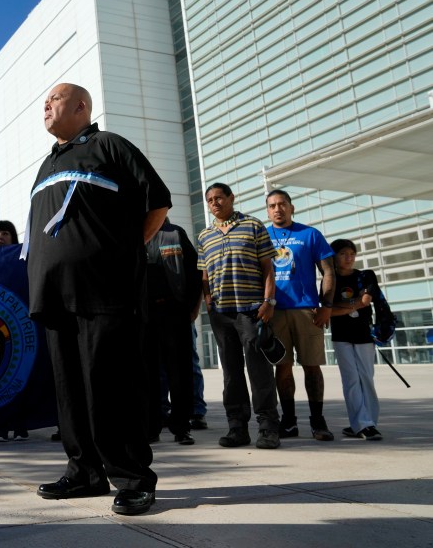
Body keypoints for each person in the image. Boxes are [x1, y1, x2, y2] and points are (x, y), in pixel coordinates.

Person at [26, 83, 171, 516]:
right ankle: (84, 472)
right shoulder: (47, 163)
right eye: (44, 102)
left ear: (81, 106)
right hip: (54, 296)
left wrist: (124, 252)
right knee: (70, 391)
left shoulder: (109, 146)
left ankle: (132, 477)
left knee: (111, 387)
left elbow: (158, 202)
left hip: (104, 291)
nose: (45, 106)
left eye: (53, 99)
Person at [197, 182, 281, 449]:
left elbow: (268, 267)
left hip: (251, 310)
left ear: (231, 198)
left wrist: (268, 301)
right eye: (210, 200)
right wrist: (208, 300)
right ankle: (237, 427)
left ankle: (268, 428)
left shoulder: (254, 226)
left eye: (219, 197)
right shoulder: (204, 236)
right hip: (221, 314)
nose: (214, 203)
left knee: (259, 370)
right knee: (231, 373)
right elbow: (204, 274)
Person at [265, 190, 336, 441]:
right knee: (282, 368)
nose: (278, 209)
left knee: (311, 367)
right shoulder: (262, 236)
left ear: (291, 207)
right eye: (272, 205)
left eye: (282, 204)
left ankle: (318, 421)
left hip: (307, 310)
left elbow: (328, 271)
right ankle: (289, 421)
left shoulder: (310, 234)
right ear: (268, 210)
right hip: (275, 311)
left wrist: (326, 305)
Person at [144, 218, 202, 445]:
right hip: (145, 316)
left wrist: (191, 307)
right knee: (147, 374)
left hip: (174, 313)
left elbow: (195, 272)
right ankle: (151, 428)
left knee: (180, 373)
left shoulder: (175, 234)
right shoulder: (134, 233)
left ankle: (181, 427)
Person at [329, 239, 383, 440]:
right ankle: (361, 424)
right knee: (351, 380)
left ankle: (369, 422)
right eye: (343, 253)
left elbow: (366, 300)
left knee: (366, 379)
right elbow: (328, 312)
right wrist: (354, 303)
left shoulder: (366, 276)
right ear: (334, 256)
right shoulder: (330, 280)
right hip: (341, 336)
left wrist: (342, 306)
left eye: (352, 253)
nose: (348, 258)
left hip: (363, 336)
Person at [0, 220, 29, 441]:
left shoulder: (22, 260)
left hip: (20, 326)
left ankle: (21, 424)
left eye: (4, 232)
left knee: (20, 373)